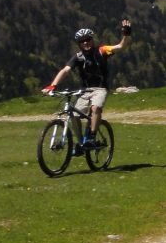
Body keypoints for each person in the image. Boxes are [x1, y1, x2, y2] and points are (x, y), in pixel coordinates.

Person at [43, 19, 132, 149]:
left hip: (100, 89)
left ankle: (91, 136)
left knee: (95, 108)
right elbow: (65, 70)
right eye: (82, 41)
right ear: (78, 44)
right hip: (85, 90)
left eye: (88, 39)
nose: (85, 43)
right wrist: (52, 85)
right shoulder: (78, 57)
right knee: (74, 115)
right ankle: (80, 143)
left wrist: (126, 34)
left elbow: (121, 47)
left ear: (92, 39)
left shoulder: (102, 51)